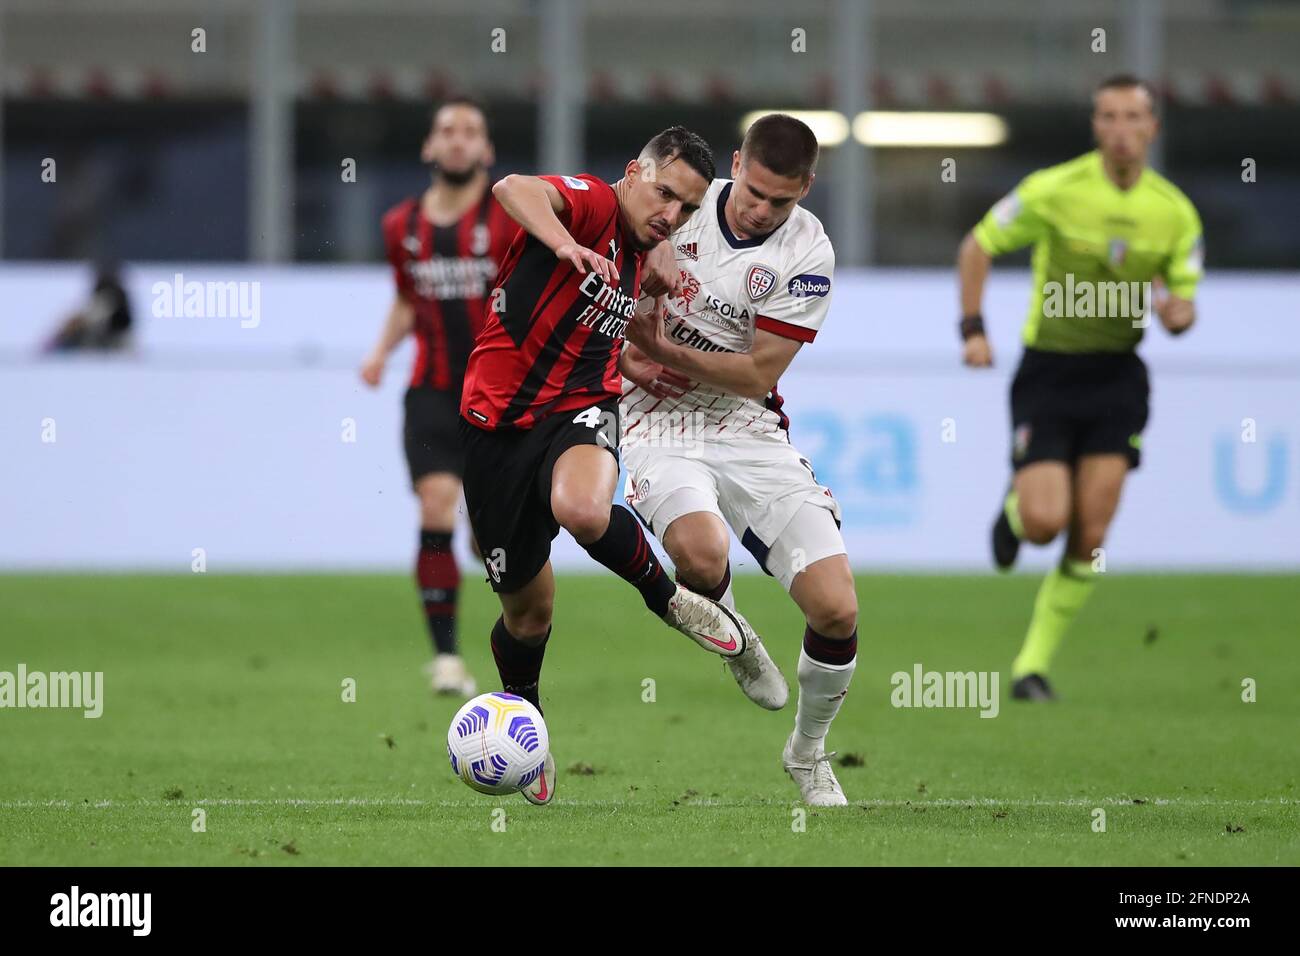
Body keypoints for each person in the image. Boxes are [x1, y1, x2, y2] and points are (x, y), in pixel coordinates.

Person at [459, 127, 762, 806]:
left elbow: (594, 323)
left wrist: (630, 358)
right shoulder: (592, 205)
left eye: (686, 208)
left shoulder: (647, 254)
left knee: (584, 508)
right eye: (663, 194)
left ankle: (670, 601)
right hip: (494, 427)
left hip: (581, 410)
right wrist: (564, 242)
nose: (671, 216)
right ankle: (527, 720)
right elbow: (513, 187)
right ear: (633, 172)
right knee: (528, 617)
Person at [622, 114, 857, 806]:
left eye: (779, 201)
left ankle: (808, 754)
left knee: (836, 610)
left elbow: (756, 374)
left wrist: (658, 349)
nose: (759, 210)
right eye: (752, 191)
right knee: (698, 554)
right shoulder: (677, 205)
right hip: (654, 422)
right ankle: (736, 633)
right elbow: (593, 295)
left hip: (745, 425)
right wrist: (628, 344)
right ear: (735, 164)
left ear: (806, 189)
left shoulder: (809, 253)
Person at [957, 74, 1203, 700]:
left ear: (1153, 127)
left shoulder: (1174, 213)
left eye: (1133, 118)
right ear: (1096, 127)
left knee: (1090, 539)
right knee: (1046, 523)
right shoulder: (1054, 189)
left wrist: (1179, 314)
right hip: (1050, 373)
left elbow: (1184, 300)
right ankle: (1015, 514)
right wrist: (974, 329)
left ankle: (1029, 668)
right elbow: (978, 246)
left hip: (1118, 377)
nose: (1121, 130)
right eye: (1109, 117)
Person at [360, 98, 516, 697]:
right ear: (428, 148)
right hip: (430, 391)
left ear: (486, 152)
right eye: (447, 131)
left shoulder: (505, 220)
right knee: (434, 506)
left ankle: (513, 626)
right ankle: (447, 659)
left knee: (486, 536)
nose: (457, 141)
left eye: (471, 132)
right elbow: (407, 298)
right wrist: (380, 352)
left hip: (499, 397)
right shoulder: (400, 226)